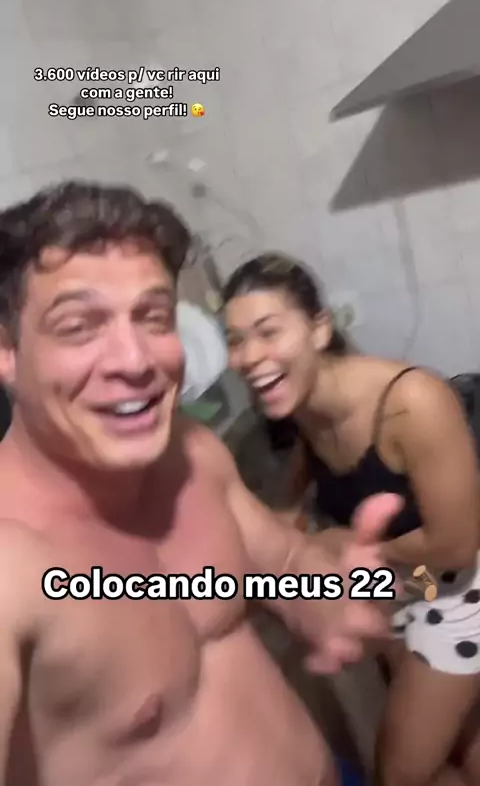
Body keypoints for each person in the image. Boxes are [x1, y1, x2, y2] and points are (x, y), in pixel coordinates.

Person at [0, 182, 401, 786]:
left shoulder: (190, 451)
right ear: (7, 351)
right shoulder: (10, 565)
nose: (136, 359)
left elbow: (282, 564)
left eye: (153, 317)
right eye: (79, 326)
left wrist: (325, 600)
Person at [223, 253, 480, 786]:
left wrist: (347, 544)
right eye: (235, 340)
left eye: (268, 331)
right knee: (460, 745)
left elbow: (458, 544)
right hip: (414, 586)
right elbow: (293, 510)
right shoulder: (303, 408)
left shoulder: (411, 400)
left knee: (399, 773)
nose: (248, 356)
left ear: (319, 328)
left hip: (466, 591)